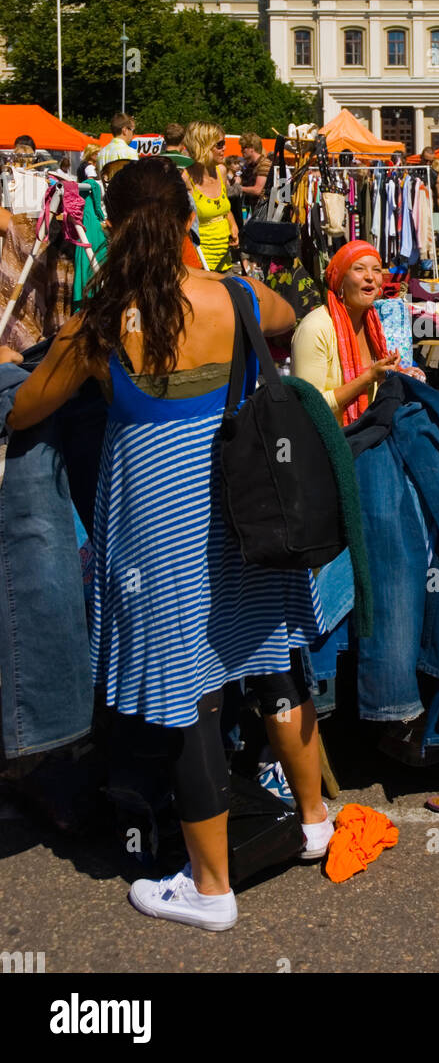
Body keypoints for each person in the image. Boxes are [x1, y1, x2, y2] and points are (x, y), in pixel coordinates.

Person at [7, 157, 332, 929]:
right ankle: (315, 820)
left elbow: (25, 411)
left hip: (161, 531)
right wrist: (217, 276)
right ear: (191, 220)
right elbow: (286, 316)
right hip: (248, 510)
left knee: (184, 693)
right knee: (267, 657)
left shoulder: (101, 322)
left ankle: (211, 887)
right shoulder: (237, 297)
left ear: (112, 229)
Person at [290, 240, 400, 424]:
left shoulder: (372, 323)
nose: (370, 277)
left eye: (376, 269)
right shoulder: (315, 329)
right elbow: (308, 405)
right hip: (327, 441)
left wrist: (393, 373)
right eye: (359, 269)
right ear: (341, 279)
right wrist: (368, 378)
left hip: (367, 433)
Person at [182, 121, 239, 271]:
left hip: (224, 258)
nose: (225, 148)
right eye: (219, 144)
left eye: (224, 143)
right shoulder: (185, 178)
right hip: (200, 261)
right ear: (203, 147)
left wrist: (232, 225)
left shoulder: (221, 171)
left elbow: (224, 208)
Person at [239, 133, 273, 213]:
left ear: (252, 148)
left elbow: (257, 190)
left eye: (244, 148)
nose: (241, 151)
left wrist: (238, 188)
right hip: (255, 208)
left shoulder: (264, 163)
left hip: (264, 210)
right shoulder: (250, 165)